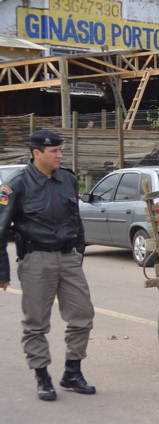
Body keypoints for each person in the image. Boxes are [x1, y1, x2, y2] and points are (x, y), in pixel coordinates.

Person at [0, 130, 96, 401]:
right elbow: (1, 228)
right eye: (54, 151)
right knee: (36, 324)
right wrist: (2, 271)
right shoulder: (16, 184)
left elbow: (75, 219)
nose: (59, 154)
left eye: (60, 150)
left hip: (68, 258)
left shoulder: (67, 179)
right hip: (36, 259)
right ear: (37, 153)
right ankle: (42, 377)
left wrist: (79, 251)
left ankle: (72, 372)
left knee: (82, 316)